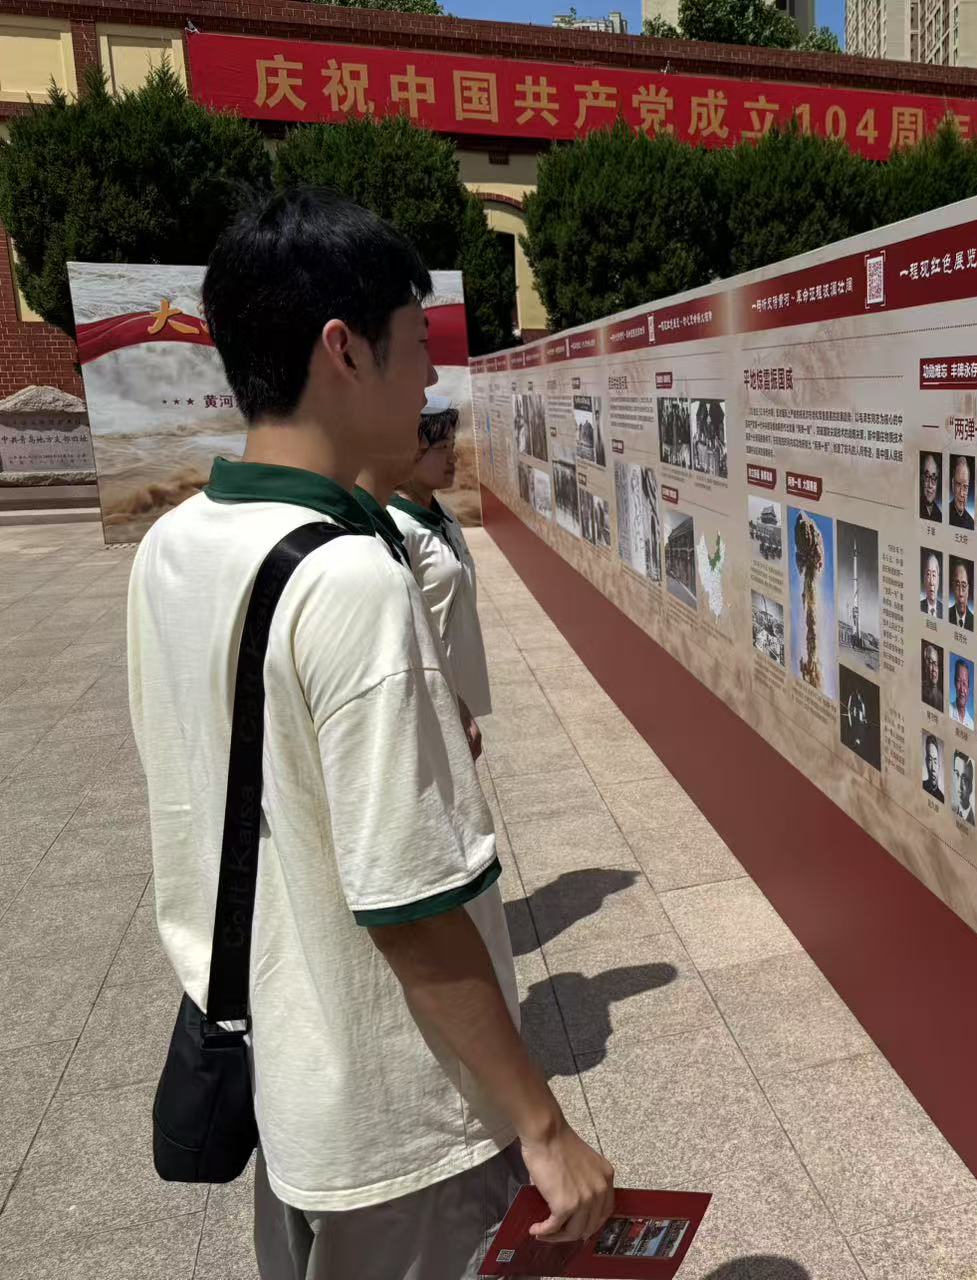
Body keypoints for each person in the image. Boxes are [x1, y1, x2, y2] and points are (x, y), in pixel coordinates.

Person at [127, 190, 613, 1280]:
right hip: (407, 1126)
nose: (432, 384)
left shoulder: (176, 542)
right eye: (418, 348)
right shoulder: (350, 577)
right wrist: (541, 1125)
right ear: (343, 349)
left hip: (291, 1091)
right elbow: (411, 905)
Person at [390, 399, 493, 758]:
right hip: (430, 697)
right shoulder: (396, 529)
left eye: (453, 446)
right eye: (443, 448)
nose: (454, 457)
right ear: (411, 449)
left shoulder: (443, 514)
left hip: (457, 689)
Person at [947, 455, 976, 529]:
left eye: (965, 487)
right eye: (958, 485)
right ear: (953, 485)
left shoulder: (972, 523)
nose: (962, 493)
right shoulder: (943, 513)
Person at [947, 560, 975, 632]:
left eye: (964, 586)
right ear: (953, 587)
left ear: (968, 589)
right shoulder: (945, 615)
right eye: (957, 585)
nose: (960, 593)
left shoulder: (974, 623)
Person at [950, 658, 975, 730]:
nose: (961, 689)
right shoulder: (948, 710)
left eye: (964, 683)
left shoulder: (971, 724)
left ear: (968, 688)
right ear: (955, 683)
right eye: (958, 681)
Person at [952, 751, 976, 822]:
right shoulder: (952, 809)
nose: (959, 786)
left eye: (964, 779)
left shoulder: (973, 821)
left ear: (971, 787)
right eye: (957, 774)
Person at [919, 453, 943, 522]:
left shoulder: (940, 516)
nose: (930, 485)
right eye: (926, 476)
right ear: (921, 478)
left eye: (934, 478)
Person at [921, 643, 944, 712]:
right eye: (931, 663)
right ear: (925, 666)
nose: (934, 669)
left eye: (936, 664)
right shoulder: (919, 689)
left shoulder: (941, 698)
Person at [922, 735, 946, 802]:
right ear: (926, 762)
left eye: (935, 761)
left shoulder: (942, 798)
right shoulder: (921, 785)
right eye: (930, 760)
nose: (933, 768)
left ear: (939, 765)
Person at [920, 552, 943, 617]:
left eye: (933, 575)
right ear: (924, 579)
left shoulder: (945, 610)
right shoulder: (918, 606)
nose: (931, 582)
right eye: (928, 574)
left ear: (938, 579)